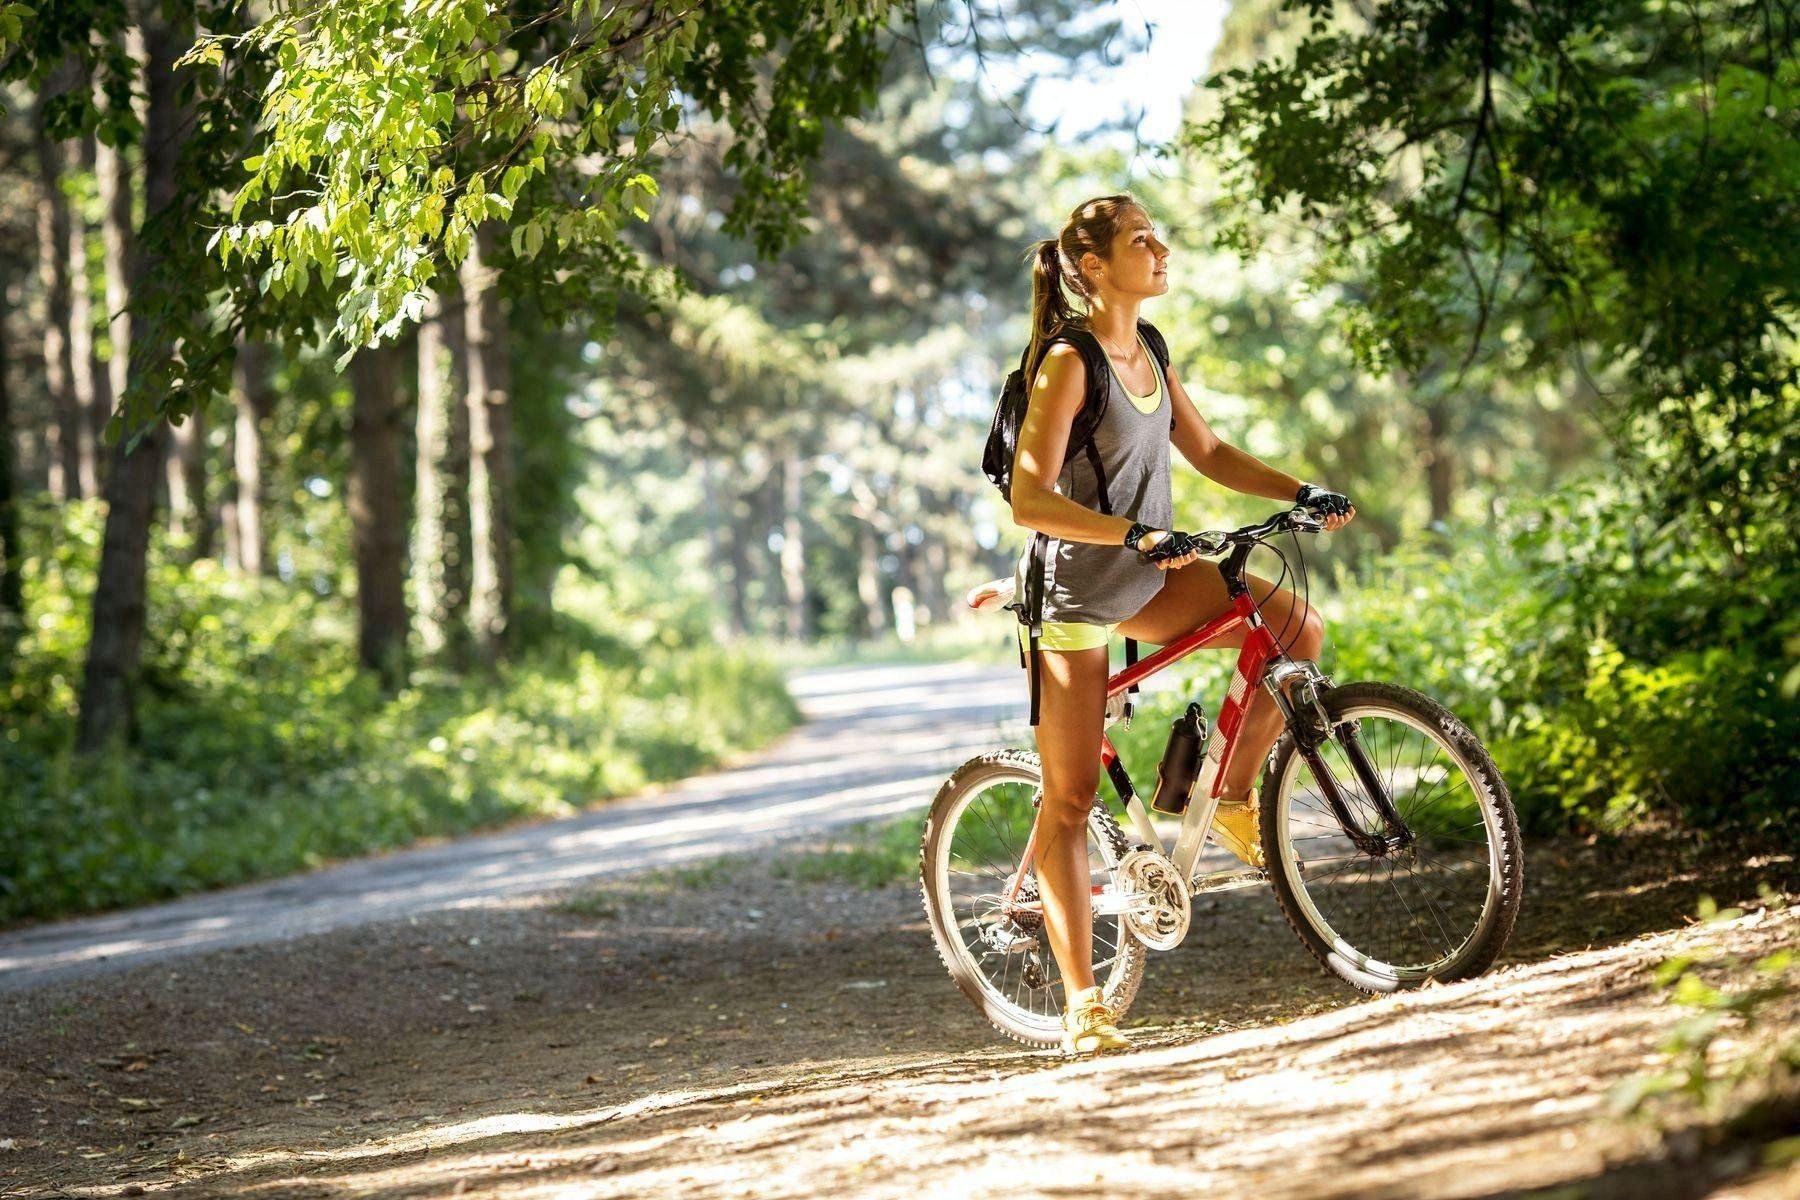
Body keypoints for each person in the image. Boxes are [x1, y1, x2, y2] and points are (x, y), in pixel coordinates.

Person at [1007, 194, 1356, 1055]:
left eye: (1158, 235)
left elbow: (1207, 452)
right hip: (1080, 593)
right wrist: (1131, 532)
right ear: (1093, 268)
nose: (1161, 249)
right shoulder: (1069, 362)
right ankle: (1085, 1004)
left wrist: (1298, 492)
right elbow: (1029, 497)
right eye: (1140, 240)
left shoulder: (1149, 349)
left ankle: (1231, 794)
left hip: (1150, 570)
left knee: (1293, 630)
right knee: (1071, 797)